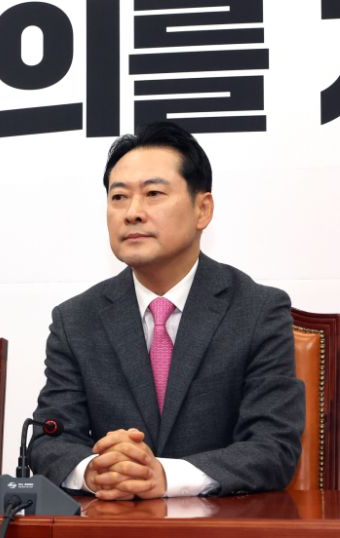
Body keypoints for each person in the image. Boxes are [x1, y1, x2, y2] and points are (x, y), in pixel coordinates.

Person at [30, 122, 305, 500]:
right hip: (113, 522)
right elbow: (51, 439)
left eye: (153, 194)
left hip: (219, 522)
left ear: (202, 209)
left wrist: (165, 476)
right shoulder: (76, 320)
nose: (133, 213)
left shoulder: (257, 310)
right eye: (119, 197)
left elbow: (273, 446)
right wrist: (95, 471)